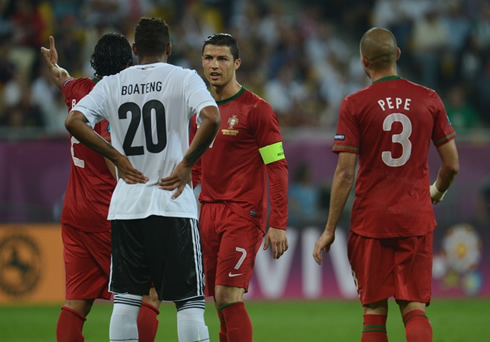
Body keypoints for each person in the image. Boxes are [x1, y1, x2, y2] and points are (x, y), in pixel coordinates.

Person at [64, 17, 220, 342]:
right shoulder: (183, 78)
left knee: (125, 300)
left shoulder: (112, 83)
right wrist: (188, 162)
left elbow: (74, 121)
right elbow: (211, 117)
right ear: (168, 48)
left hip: (127, 206)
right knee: (189, 303)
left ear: (135, 50)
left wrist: (116, 156)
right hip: (173, 202)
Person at [313, 27, 459, 342]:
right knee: (414, 308)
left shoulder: (354, 104)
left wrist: (329, 229)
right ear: (398, 55)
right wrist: (436, 191)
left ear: (364, 61)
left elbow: (344, 174)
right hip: (415, 218)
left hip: (370, 221)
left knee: (374, 313)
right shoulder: (429, 98)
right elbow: (452, 164)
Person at [41, 33, 161, 342]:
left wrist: (55, 66)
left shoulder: (79, 91)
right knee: (148, 294)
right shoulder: (116, 102)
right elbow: (111, 153)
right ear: (127, 64)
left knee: (76, 303)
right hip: (107, 214)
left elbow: (63, 80)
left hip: (74, 214)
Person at [188, 33, 289, 342]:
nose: (214, 65)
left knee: (228, 293)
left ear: (237, 64)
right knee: (218, 300)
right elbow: (197, 168)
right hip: (209, 212)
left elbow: (277, 167)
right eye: (208, 58)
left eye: (222, 59)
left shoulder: (256, 110)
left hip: (243, 214)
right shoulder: (201, 111)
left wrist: (278, 223)